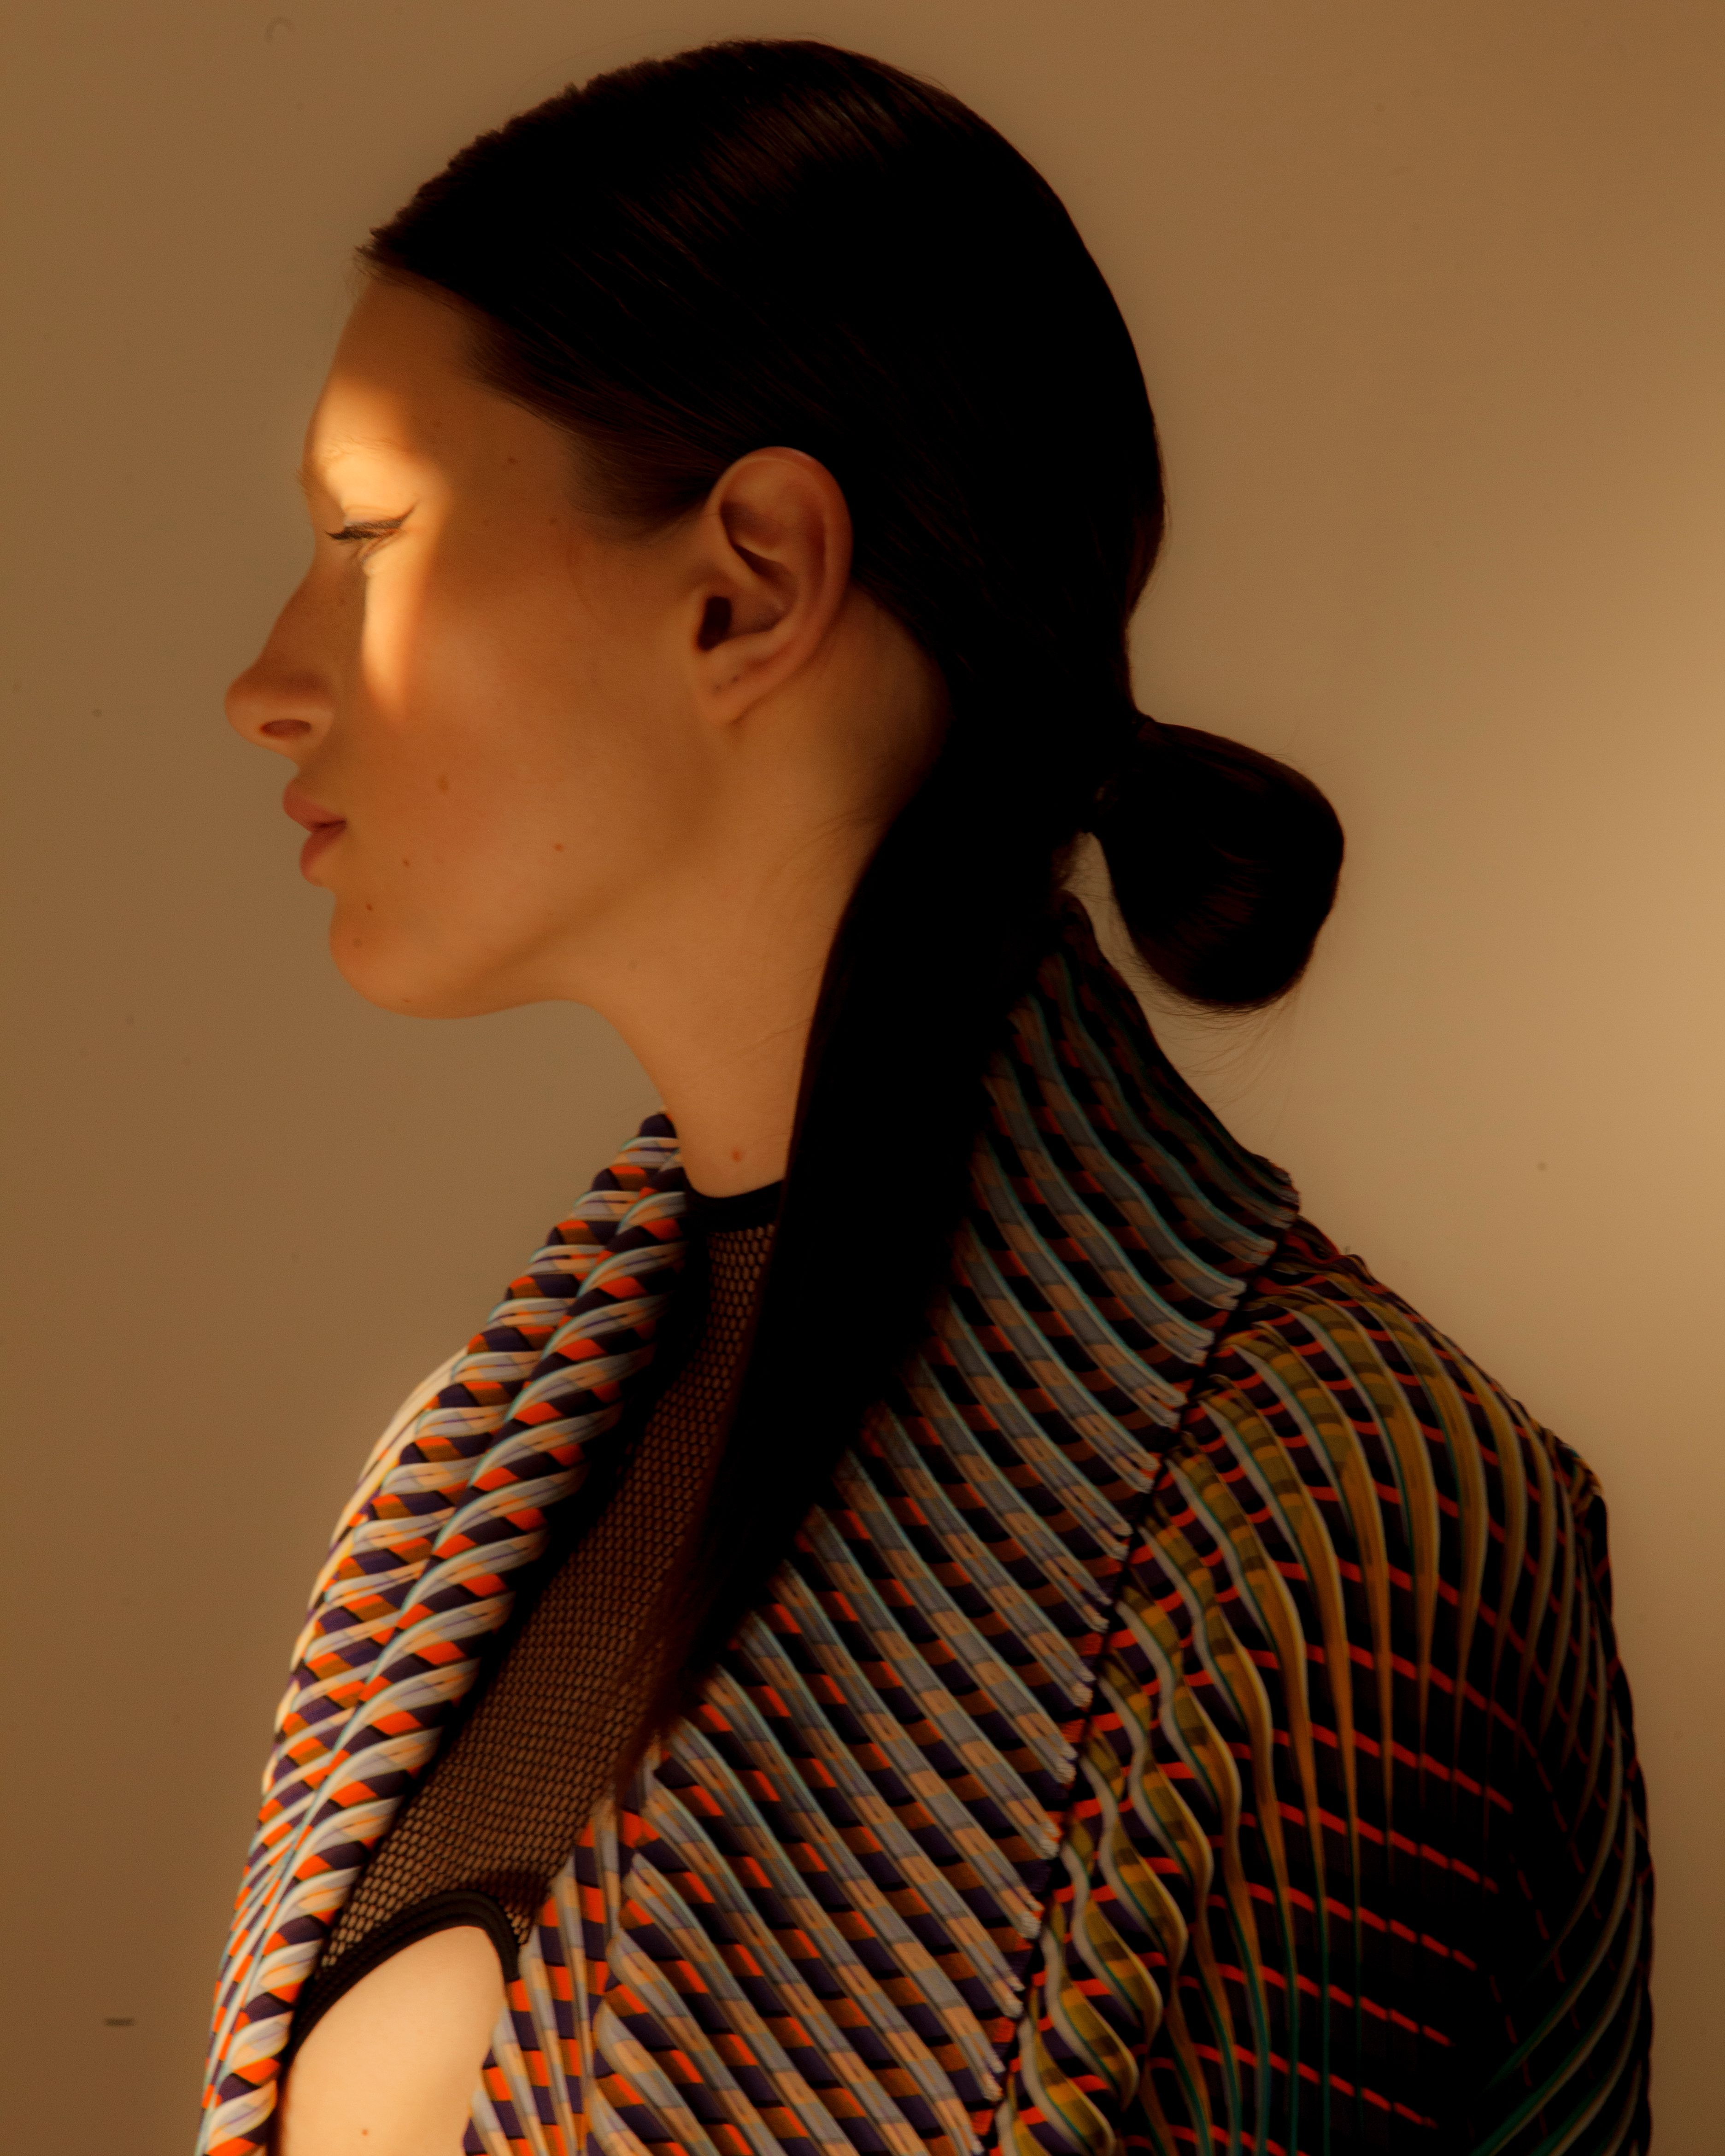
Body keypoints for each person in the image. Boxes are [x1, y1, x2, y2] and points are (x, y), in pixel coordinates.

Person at [204, 38, 1651, 2156]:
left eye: (367, 537)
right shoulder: (447, 1495)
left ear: (750, 584)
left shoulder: (1346, 1525)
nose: (266, 682)